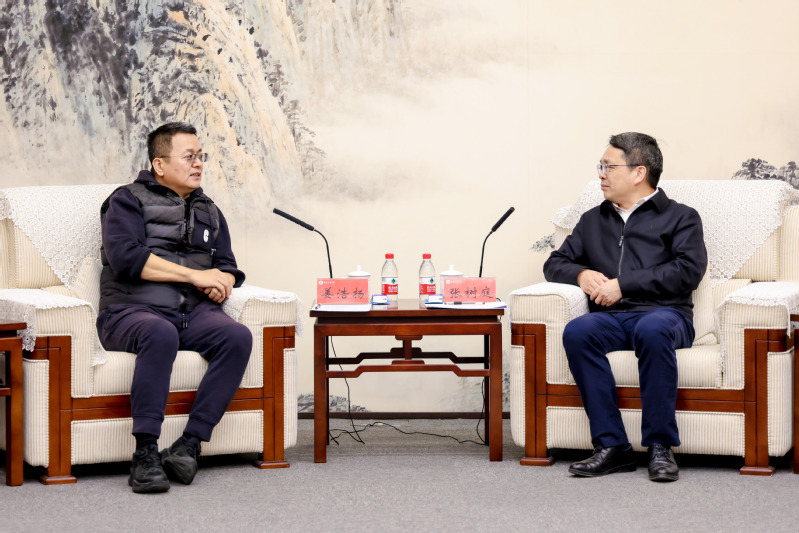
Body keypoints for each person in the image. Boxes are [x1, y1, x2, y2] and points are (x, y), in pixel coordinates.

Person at [97, 122, 252, 493]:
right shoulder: (126, 200)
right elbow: (127, 259)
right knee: (159, 333)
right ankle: (145, 453)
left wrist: (223, 281)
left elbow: (227, 265)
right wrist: (196, 276)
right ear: (160, 165)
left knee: (237, 337)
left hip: (192, 314)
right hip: (131, 310)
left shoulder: (209, 210)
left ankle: (188, 445)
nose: (198, 164)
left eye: (200, 156)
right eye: (189, 157)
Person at [543, 132, 707, 482]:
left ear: (638, 173)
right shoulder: (592, 220)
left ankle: (660, 445)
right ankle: (612, 445)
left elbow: (688, 270)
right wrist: (581, 274)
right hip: (611, 320)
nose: (600, 174)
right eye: (600, 166)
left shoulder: (681, 217)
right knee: (578, 331)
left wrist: (624, 285)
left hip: (666, 316)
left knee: (652, 328)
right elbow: (554, 263)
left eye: (609, 167)